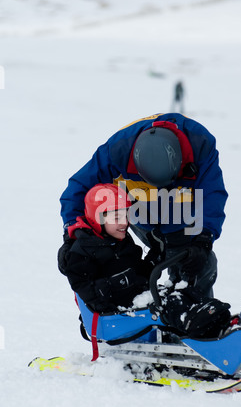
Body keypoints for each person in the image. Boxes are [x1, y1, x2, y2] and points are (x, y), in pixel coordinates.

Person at [58, 113, 231, 338]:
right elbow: (77, 187)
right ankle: (154, 328)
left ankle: (198, 327)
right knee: (124, 263)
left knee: (199, 266)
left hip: (182, 215)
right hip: (139, 212)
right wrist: (74, 230)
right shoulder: (118, 149)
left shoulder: (200, 144)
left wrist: (204, 238)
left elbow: (213, 195)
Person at [60, 183, 159, 314]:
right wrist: (114, 284)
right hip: (114, 319)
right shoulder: (82, 251)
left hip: (139, 305)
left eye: (126, 216)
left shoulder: (121, 239)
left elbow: (138, 272)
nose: (124, 223)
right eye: (117, 218)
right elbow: (85, 289)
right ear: (97, 219)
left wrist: (154, 259)